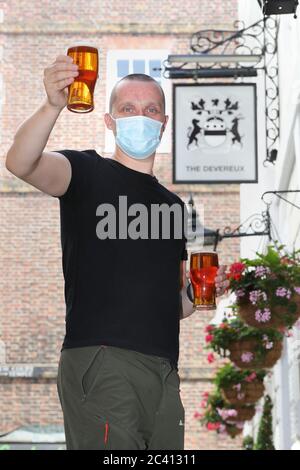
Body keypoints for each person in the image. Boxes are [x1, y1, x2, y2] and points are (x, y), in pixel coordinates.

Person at [5, 54, 229, 450]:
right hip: (104, 358)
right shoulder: (85, 172)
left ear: (163, 124)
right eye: (128, 108)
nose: (139, 117)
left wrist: (201, 291)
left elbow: (174, 304)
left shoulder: (174, 208)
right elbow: (21, 163)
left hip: (164, 370)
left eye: (150, 109)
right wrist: (52, 105)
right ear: (110, 121)